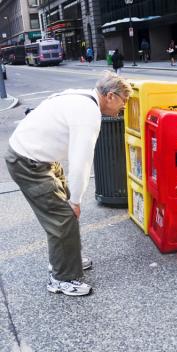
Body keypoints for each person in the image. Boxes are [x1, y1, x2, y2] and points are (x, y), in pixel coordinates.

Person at [5, 71, 133, 297]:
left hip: (38, 156)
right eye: (123, 103)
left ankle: (66, 259)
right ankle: (61, 278)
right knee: (63, 217)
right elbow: (81, 162)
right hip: (29, 162)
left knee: (61, 214)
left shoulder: (83, 95)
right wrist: (76, 200)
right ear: (111, 96)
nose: (122, 108)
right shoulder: (89, 114)